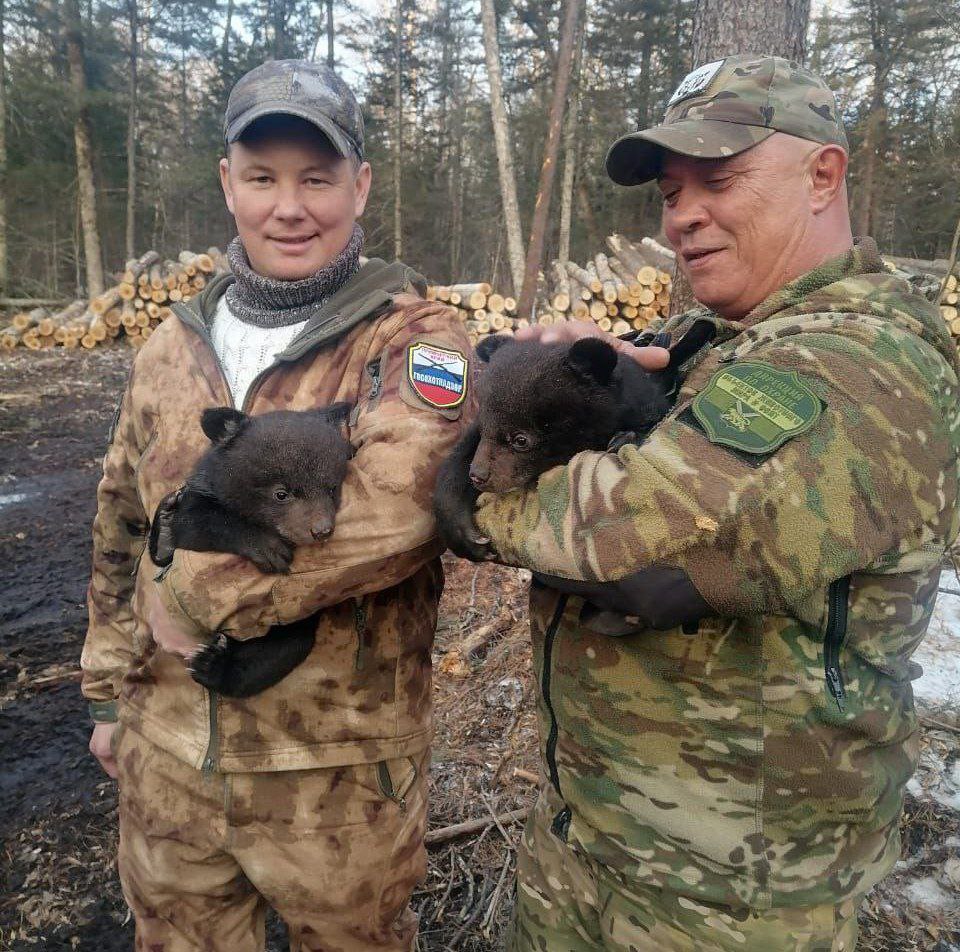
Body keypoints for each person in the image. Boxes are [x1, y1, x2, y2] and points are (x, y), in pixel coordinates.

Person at [470, 54, 960, 951]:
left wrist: (480, 492)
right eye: (668, 191)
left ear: (824, 174)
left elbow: (636, 536)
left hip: (736, 903)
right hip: (594, 841)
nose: (684, 214)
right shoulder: (718, 345)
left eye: (721, 178)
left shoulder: (867, 365)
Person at [81, 59, 473, 951]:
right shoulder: (169, 347)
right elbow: (120, 522)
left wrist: (191, 598)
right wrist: (110, 697)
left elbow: (399, 515)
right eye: (262, 178)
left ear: (361, 185)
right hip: (169, 762)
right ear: (228, 184)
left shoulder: (413, 342)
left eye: (317, 178)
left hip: (336, 783)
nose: (288, 207)